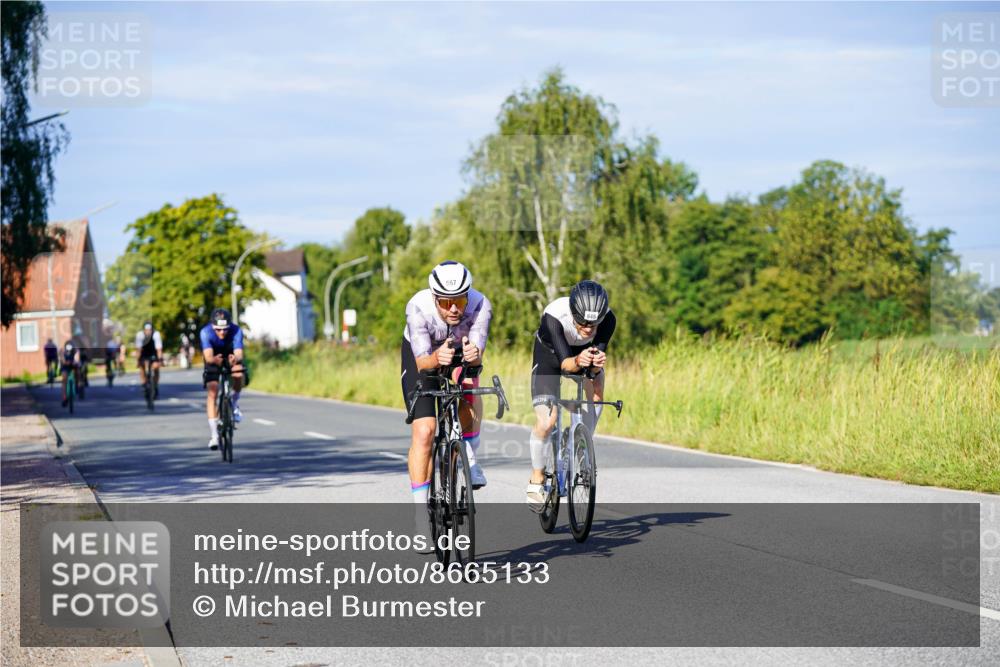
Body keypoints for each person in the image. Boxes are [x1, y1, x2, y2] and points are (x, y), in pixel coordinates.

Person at [401, 261, 492, 540]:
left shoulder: (480, 305)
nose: (454, 309)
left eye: (460, 301)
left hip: (458, 353)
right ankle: (420, 517)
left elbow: (476, 356)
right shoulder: (418, 307)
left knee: (470, 388)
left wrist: (472, 357)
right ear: (434, 297)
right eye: (445, 302)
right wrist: (436, 359)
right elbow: (422, 362)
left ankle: (469, 456)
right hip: (424, 357)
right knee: (425, 431)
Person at [525, 280, 616, 510]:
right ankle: (537, 477)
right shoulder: (554, 316)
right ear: (573, 312)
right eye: (582, 322)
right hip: (550, 355)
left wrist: (595, 366)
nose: (588, 328)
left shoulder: (608, 319)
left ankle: (583, 444)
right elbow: (566, 365)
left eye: (594, 323)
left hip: (581, 354)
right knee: (547, 421)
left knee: (597, 386)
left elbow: (593, 366)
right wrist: (578, 360)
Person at [200, 308, 245, 450]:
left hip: (230, 355)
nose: (222, 333)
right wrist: (215, 360)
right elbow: (208, 357)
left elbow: (239, 353)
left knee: (238, 374)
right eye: (218, 329)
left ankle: (234, 404)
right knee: (212, 391)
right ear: (212, 326)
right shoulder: (205, 332)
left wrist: (235, 358)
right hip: (213, 358)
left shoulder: (236, 330)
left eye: (225, 329)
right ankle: (214, 436)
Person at [134, 322, 163, 398]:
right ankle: (144, 384)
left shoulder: (156, 334)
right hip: (144, 352)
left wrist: (160, 360)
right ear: (144, 330)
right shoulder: (140, 335)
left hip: (153, 352)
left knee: (156, 367)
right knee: (142, 366)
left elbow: (159, 349)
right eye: (146, 330)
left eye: (149, 330)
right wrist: (138, 361)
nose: (148, 332)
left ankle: (155, 385)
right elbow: (138, 349)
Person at [59, 340, 80, 407]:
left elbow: (77, 358)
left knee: (77, 373)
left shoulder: (76, 350)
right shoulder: (62, 351)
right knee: (64, 379)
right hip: (65, 366)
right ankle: (64, 397)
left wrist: (75, 362)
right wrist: (64, 362)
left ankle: (77, 385)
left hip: (73, 365)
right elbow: (62, 359)